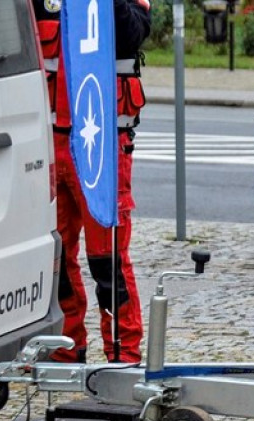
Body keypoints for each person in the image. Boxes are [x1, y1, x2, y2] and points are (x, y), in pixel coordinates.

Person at [32, 0, 151, 364]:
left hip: (103, 148)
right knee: (56, 255)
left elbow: (134, 32)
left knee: (108, 259)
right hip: (50, 145)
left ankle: (123, 355)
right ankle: (67, 349)